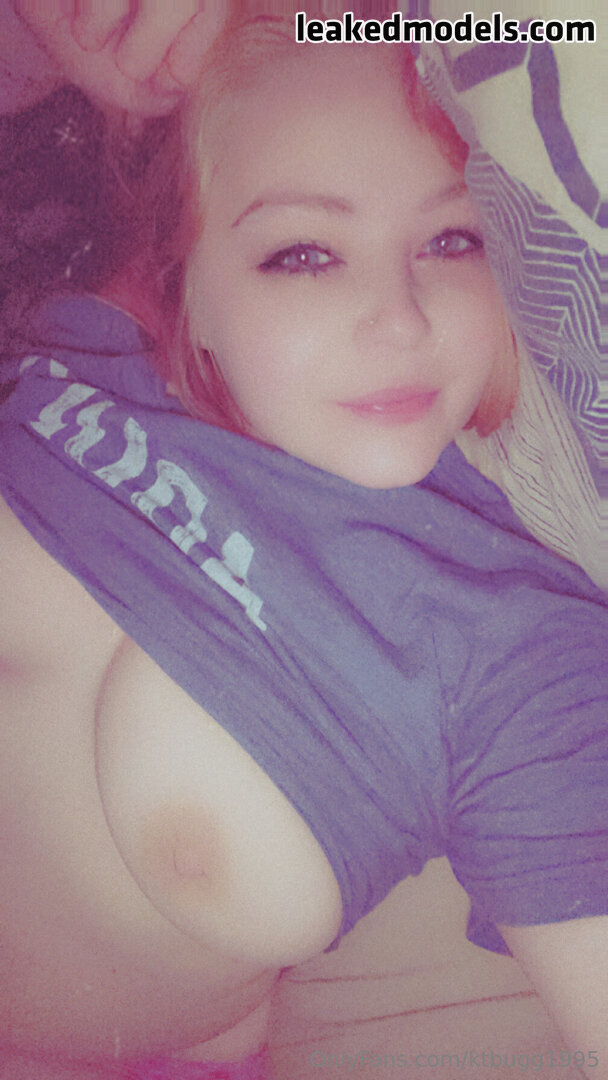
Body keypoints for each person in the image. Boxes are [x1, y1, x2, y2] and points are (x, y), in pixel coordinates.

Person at [1, 13, 606, 1080]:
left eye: (450, 240)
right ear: (183, 285)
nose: (398, 318)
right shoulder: (90, 344)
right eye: (304, 254)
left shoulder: (520, 652)